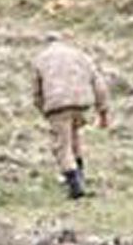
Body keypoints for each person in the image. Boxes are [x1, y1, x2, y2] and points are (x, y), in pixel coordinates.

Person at [31, 33, 110, 199]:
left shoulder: (41, 59)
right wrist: (103, 112)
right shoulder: (80, 55)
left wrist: (43, 110)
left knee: (62, 146)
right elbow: (99, 84)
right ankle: (80, 175)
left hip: (57, 105)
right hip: (82, 103)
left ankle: (75, 186)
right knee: (75, 138)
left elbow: (37, 92)